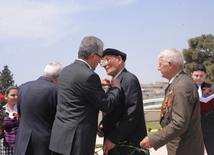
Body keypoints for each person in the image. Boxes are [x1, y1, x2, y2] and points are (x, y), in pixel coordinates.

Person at [49, 36, 122, 155]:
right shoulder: (89, 76)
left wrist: (98, 84)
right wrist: (116, 87)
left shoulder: (66, 71)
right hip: (76, 142)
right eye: (100, 57)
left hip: (59, 140)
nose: (100, 62)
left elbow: (75, 90)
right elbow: (106, 104)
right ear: (92, 55)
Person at [139, 48, 204, 155]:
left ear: (170, 64)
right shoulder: (177, 82)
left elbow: (179, 123)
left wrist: (154, 139)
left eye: (160, 64)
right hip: (179, 147)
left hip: (185, 149)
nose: (158, 68)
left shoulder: (182, 85)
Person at [97, 48, 148, 155]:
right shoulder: (114, 83)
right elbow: (113, 111)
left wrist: (113, 138)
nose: (103, 65)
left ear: (119, 60)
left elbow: (130, 114)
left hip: (127, 147)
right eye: (102, 61)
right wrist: (103, 125)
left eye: (107, 60)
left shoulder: (129, 80)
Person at [14, 62, 63, 155]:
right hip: (45, 144)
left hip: (23, 142)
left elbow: (20, 112)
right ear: (58, 78)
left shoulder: (24, 87)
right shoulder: (56, 90)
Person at [191, 64, 214, 155]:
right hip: (193, 128)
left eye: (201, 76)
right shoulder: (187, 88)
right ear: (191, 75)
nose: (198, 78)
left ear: (205, 76)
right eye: (196, 75)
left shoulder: (212, 88)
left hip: (210, 127)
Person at [0, 86, 19, 155]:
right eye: (13, 95)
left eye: (17, 95)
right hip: (7, 145)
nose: (16, 97)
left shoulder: (22, 109)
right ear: (6, 97)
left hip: (22, 144)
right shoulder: (2, 112)